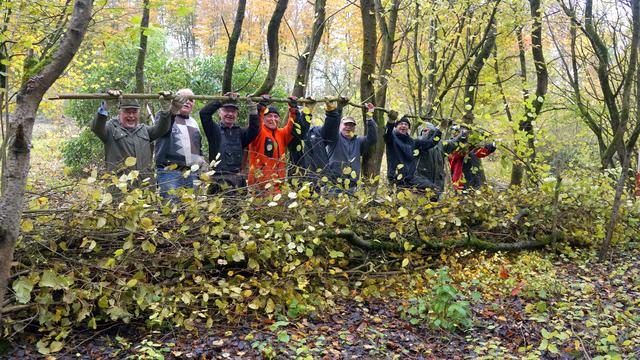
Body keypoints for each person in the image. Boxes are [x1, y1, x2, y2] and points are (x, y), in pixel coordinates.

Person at [90, 90, 186, 182]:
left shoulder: (144, 130)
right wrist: (105, 107)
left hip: (145, 187)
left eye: (134, 112)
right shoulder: (111, 129)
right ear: (120, 112)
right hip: (120, 189)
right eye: (127, 112)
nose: (131, 116)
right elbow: (96, 128)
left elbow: (162, 129)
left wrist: (167, 111)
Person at [199, 92, 260, 193]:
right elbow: (204, 114)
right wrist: (221, 100)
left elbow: (254, 129)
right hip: (218, 180)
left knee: (238, 208)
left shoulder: (241, 132)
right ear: (219, 112)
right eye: (226, 110)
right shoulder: (214, 130)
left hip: (237, 180)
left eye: (233, 111)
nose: (230, 114)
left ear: (237, 114)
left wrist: (253, 109)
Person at [154, 88, 205, 199]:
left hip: (192, 174)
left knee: (191, 211)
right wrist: (171, 111)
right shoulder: (164, 116)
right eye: (183, 98)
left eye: (191, 100)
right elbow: (161, 130)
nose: (187, 102)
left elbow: (198, 147)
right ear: (175, 100)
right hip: (169, 172)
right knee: (171, 209)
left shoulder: (194, 122)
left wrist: (202, 168)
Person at [247, 95, 304, 192]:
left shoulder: (282, 134)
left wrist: (293, 109)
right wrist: (261, 107)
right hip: (259, 187)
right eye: (269, 116)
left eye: (276, 116)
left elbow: (291, 125)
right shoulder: (258, 132)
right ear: (263, 119)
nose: (273, 119)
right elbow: (256, 121)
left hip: (279, 186)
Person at [286, 97, 347, 181]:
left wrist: (332, 112)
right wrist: (305, 113)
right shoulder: (291, 134)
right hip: (300, 182)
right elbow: (299, 131)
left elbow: (330, 132)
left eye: (303, 112)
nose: (302, 114)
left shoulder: (316, 132)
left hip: (322, 181)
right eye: (300, 113)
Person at [384, 112, 442, 193]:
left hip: (411, 178)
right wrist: (390, 121)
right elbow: (387, 133)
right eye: (401, 124)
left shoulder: (412, 142)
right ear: (396, 126)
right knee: (399, 202)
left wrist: (441, 129)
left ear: (408, 128)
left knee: (434, 189)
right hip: (396, 178)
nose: (403, 126)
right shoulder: (391, 139)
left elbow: (430, 143)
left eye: (406, 124)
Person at [325, 102, 378, 191]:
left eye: (351, 125)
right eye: (346, 124)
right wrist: (339, 108)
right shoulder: (335, 138)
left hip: (353, 186)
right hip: (334, 184)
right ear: (340, 126)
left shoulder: (358, 140)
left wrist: (369, 116)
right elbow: (333, 125)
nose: (348, 127)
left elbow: (372, 139)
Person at [415, 121, 462, 193]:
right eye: (424, 130)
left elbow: (455, 142)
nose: (427, 132)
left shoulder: (441, 144)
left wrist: (463, 134)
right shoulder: (417, 144)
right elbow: (428, 143)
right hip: (421, 186)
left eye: (430, 130)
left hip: (438, 186)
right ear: (420, 132)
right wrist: (437, 130)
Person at [448, 124, 497, 190]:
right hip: (460, 181)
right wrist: (475, 141)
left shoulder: (468, 144)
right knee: (461, 197)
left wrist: (490, 148)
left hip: (473, 177)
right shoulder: (450, 145)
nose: (458, 134)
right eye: (458, 132)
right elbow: (460, 153)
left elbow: (478, 153)